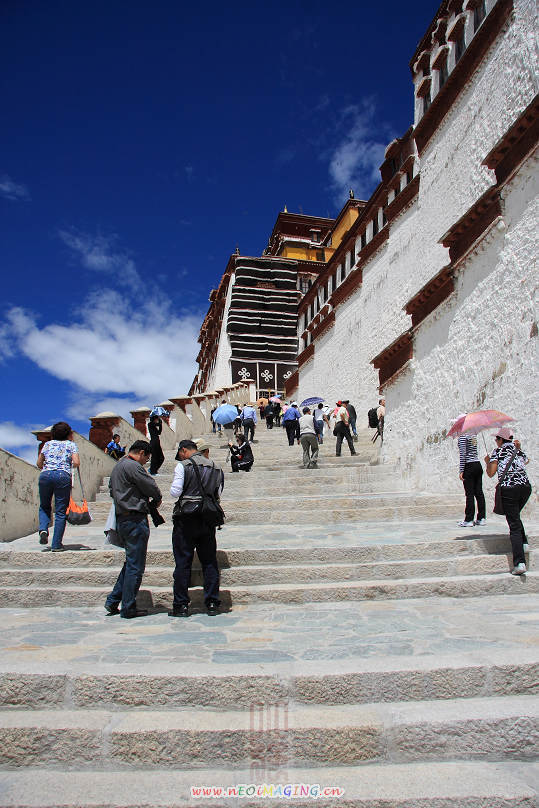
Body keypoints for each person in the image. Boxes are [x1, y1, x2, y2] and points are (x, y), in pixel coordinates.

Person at [104, 440, 162, 618]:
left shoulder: (119, 466)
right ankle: (128, 607)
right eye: (147, 458)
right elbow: (151, 486)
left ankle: (113, 600)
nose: (146, 461)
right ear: (142, 453)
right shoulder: (133, 466)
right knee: (136, 566)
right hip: (135, 519)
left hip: (122, 517)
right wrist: (157, 497)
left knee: (130, 563)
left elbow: (111, 490)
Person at [169, 439, 224, 616]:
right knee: (209, 561)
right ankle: (212, 603)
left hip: (186, 518)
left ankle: (181, 605)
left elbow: (175, 492)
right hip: (207, 518)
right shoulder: (215, 466)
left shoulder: (183, 466)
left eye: (180, 453)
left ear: (184, 450)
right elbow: (218, 492)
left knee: (183, 562)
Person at [485, 428, 532, 575]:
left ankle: (519, 563)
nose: (496, 442)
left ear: (500, 440)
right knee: (515, 514)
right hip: (525, 487)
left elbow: (491, 473)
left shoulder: (498, 452)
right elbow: (526, 461)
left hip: (509, 489)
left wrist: (488, 462)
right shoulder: (518, 450)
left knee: (513, 524)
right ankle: (524, 543)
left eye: (496, 439)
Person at [37, 421, 80, 550]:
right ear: (68, 433)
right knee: (61, 511)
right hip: (62, 476)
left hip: (45, 475)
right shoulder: (71, 445)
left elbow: (39, 463)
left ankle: (43, 529)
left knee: (45, 505)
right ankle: (56, 544)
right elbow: (77, 462)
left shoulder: (47, 444)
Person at [457, 431, 486, 527]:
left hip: (469, 466)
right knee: (479, 493)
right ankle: (481, 518)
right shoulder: (473, 435)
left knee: (469, 494)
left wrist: (461, 470)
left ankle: (469, 519)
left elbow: (463, 454)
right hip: (477, 464)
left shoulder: (462, 437)